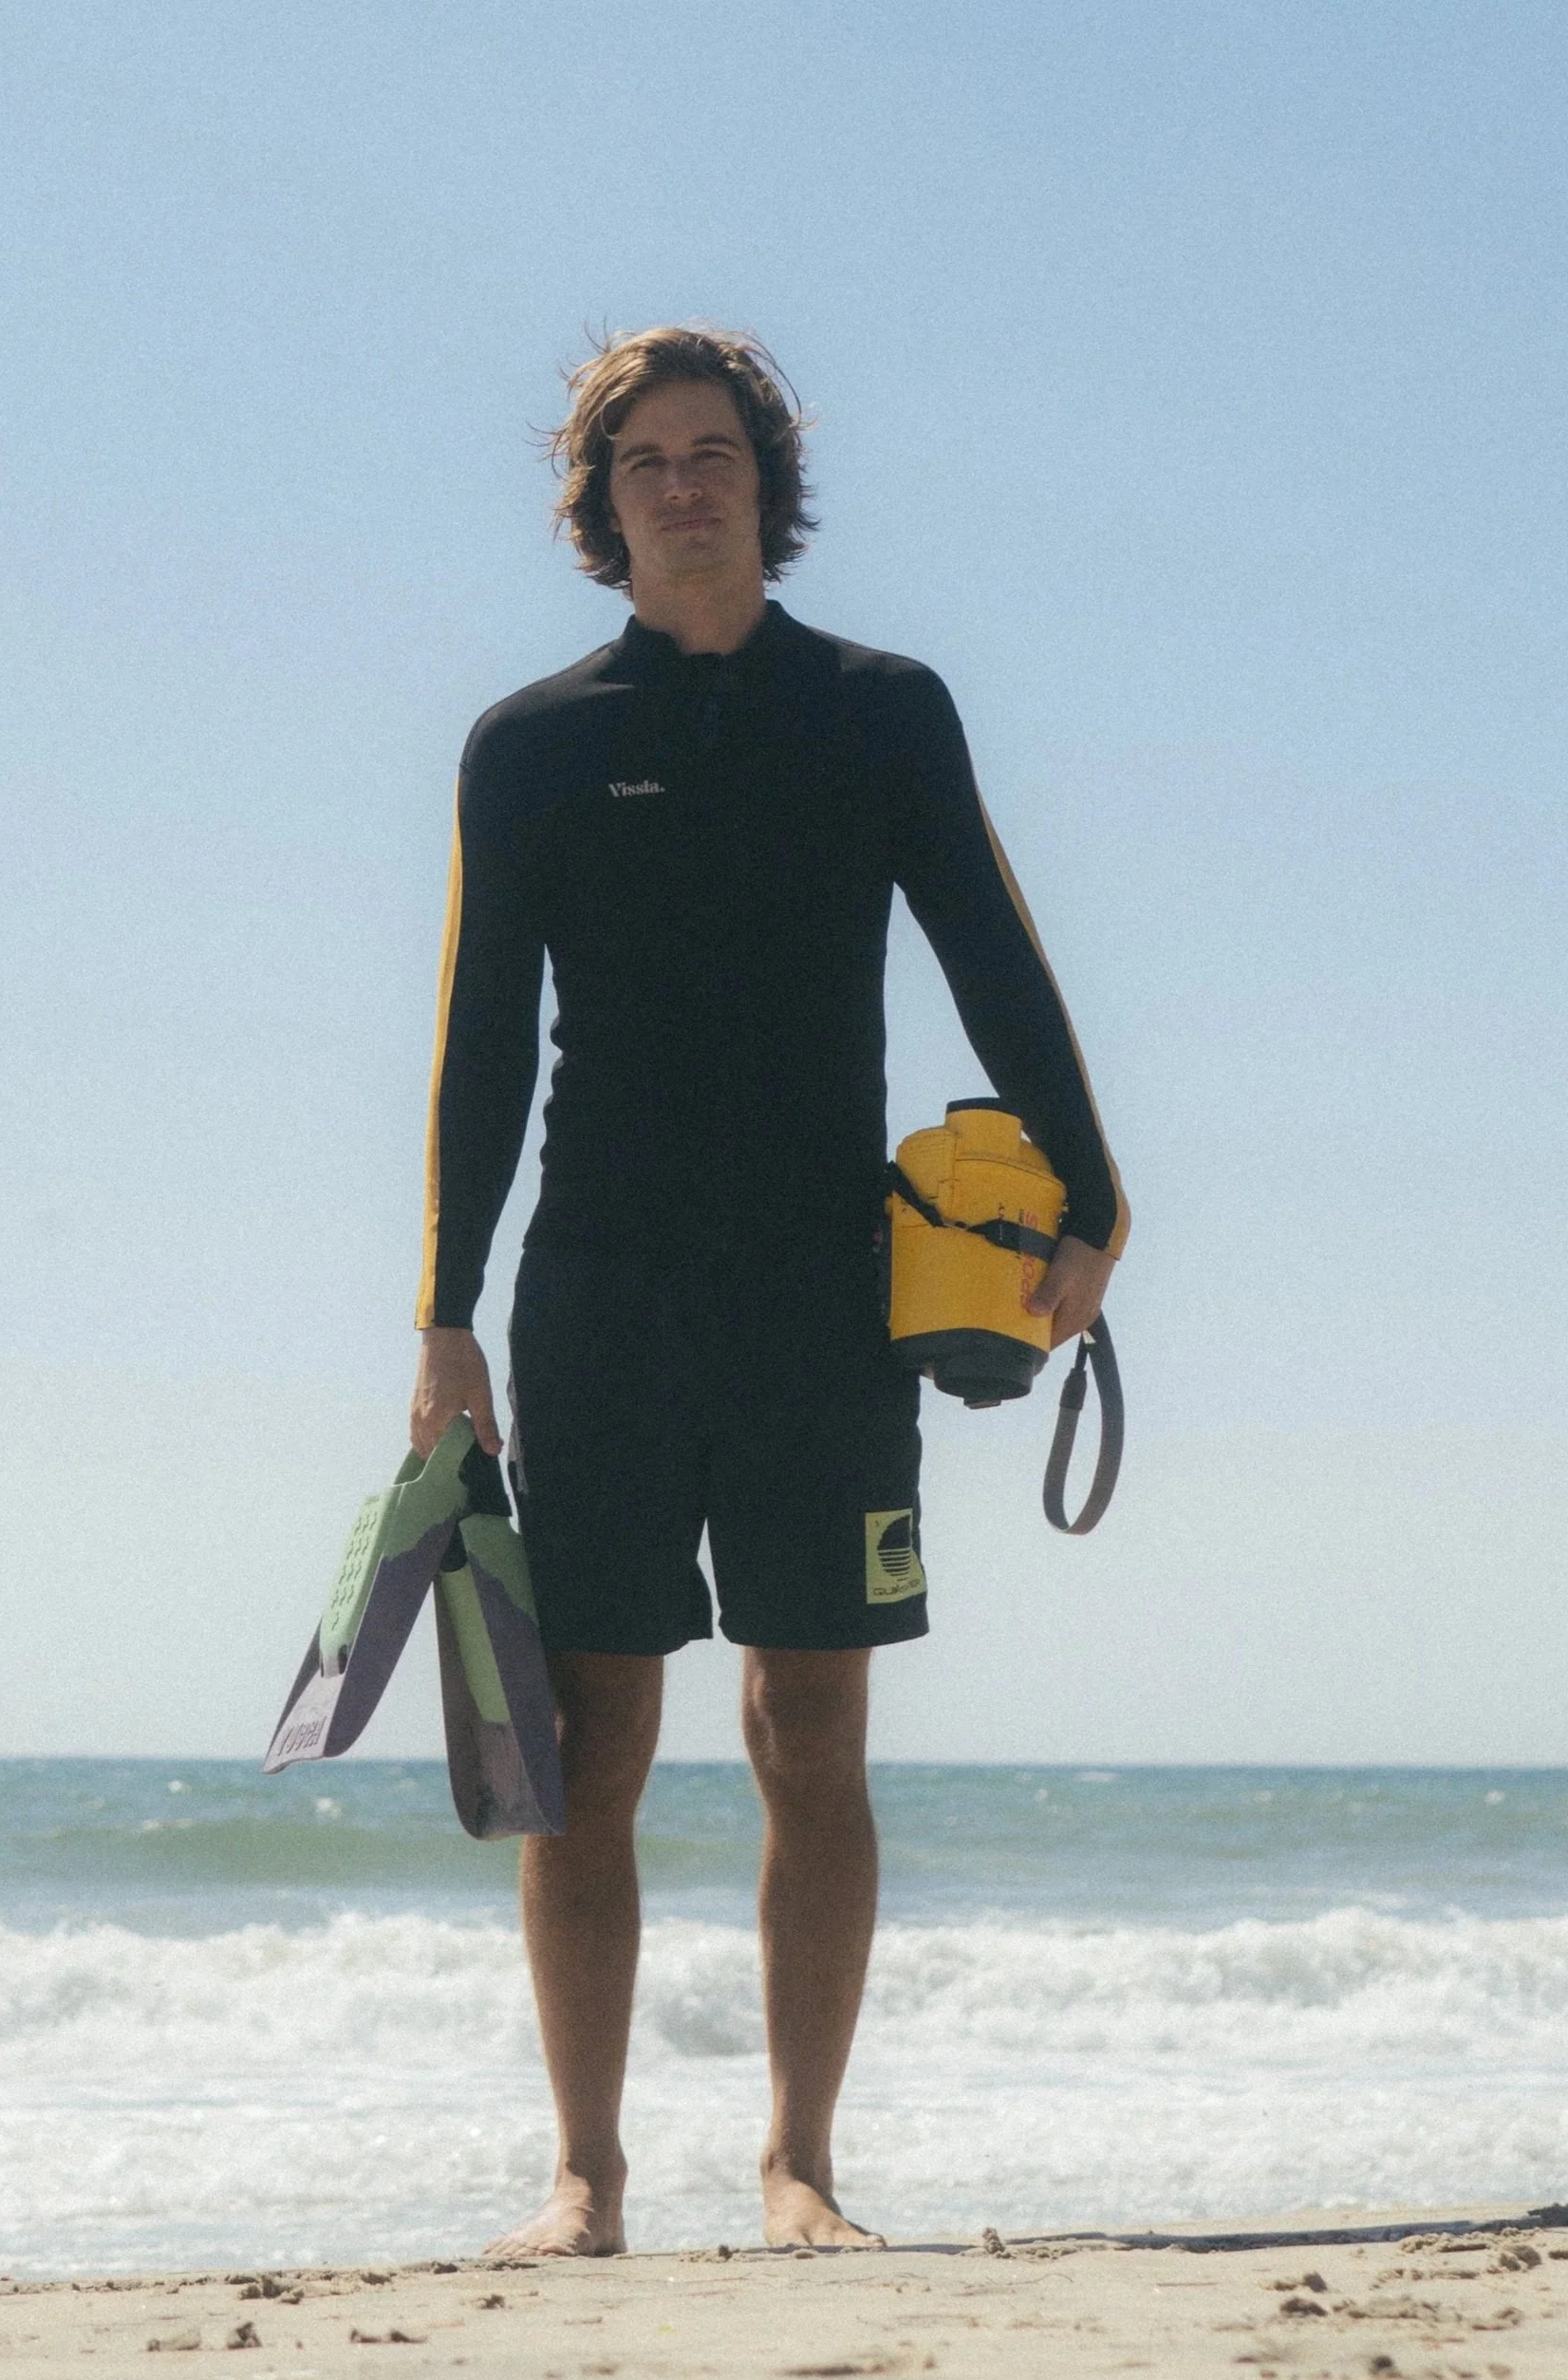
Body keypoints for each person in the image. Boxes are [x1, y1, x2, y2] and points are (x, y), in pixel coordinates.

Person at [410, 327, 1127, 2256]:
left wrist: (1093, 1194)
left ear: (764, 480)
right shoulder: (529, 745)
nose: (683, 484)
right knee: (590, 1746)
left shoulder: (878, 713)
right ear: (603, 502)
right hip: (602, 1294)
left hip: (825, 1295)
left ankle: (800, 2161)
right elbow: (480, 1045)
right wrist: (444, 1314)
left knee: (812, 1729)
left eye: (713, 451)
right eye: (644, 459)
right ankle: (585, 2172)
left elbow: (990, 947)